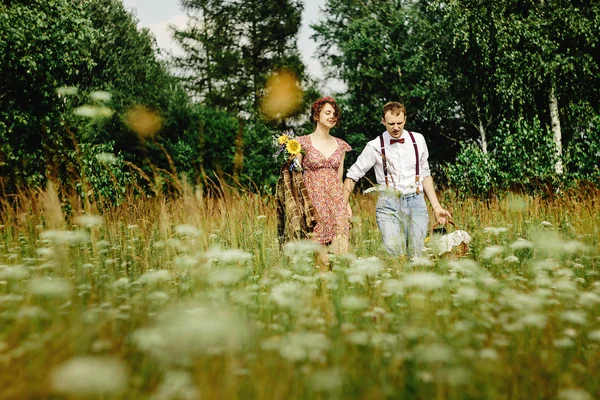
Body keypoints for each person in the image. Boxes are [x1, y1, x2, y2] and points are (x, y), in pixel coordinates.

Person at [343, 101, 451, 258]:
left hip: (416, 202)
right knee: (395, 256)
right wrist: (343, 206)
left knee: (415, 255)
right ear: (383, 121)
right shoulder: (374, 146)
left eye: (399, 123)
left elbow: (425, 175)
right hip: (388, 205)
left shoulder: (418, 140)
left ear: (405, 120)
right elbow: (352, 176)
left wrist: (436, 207)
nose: (396, 127)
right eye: (391, 123)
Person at [296, 97, 352, 270]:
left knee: (342, 255)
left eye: (335, 114)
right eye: (328, 112)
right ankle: (323, 294)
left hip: (336, 202)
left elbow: (339, 177)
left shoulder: (341, 145)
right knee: (323, 261)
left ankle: (343, 291)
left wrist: (346, 203)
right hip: (314, 203)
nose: (332, 116)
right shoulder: (300, 143)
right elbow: (295, 177)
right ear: (316, 115)